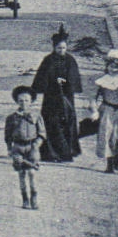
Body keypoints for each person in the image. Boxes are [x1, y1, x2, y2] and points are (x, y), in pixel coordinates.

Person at [31, 27, 83, 162]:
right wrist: (54, 81)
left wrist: (67, 82)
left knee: (67, 121)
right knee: (51, 122)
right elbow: (42, 78)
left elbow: (74, 77)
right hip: (51, 97)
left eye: (64, 48)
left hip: (66, 96)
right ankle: (51, 153)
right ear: (54, 47)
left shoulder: (70, 60)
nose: (61, 51)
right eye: (59, 48)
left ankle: (67, 151)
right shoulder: (48, 60)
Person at [4, 85, 45, 209]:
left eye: (27, 100)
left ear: (31, 101)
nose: (24, 103)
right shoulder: (11, 118)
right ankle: (25, 199)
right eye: (20, 100)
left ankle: (34, 198)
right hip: (18, 147)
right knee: (21, 174)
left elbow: (42, 134)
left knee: (32, 173)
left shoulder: (36, 116)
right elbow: (7, 135)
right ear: (16, 101)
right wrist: (9, 149)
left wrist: (36, 144)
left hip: (31, 147)